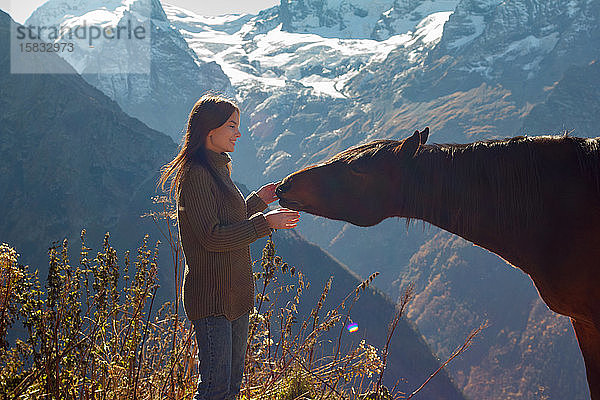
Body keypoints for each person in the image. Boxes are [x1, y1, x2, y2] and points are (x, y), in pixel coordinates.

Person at [158, 93, 300, 399]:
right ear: (211, 131)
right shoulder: (196, 175)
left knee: (231, 388)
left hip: (234, 296)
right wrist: (265, 223)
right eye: (232, 126)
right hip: (212, 298)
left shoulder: (218, 168)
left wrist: (258, 201)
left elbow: (226, 220)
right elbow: (211, 236)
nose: (239, 132)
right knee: (214, 389)